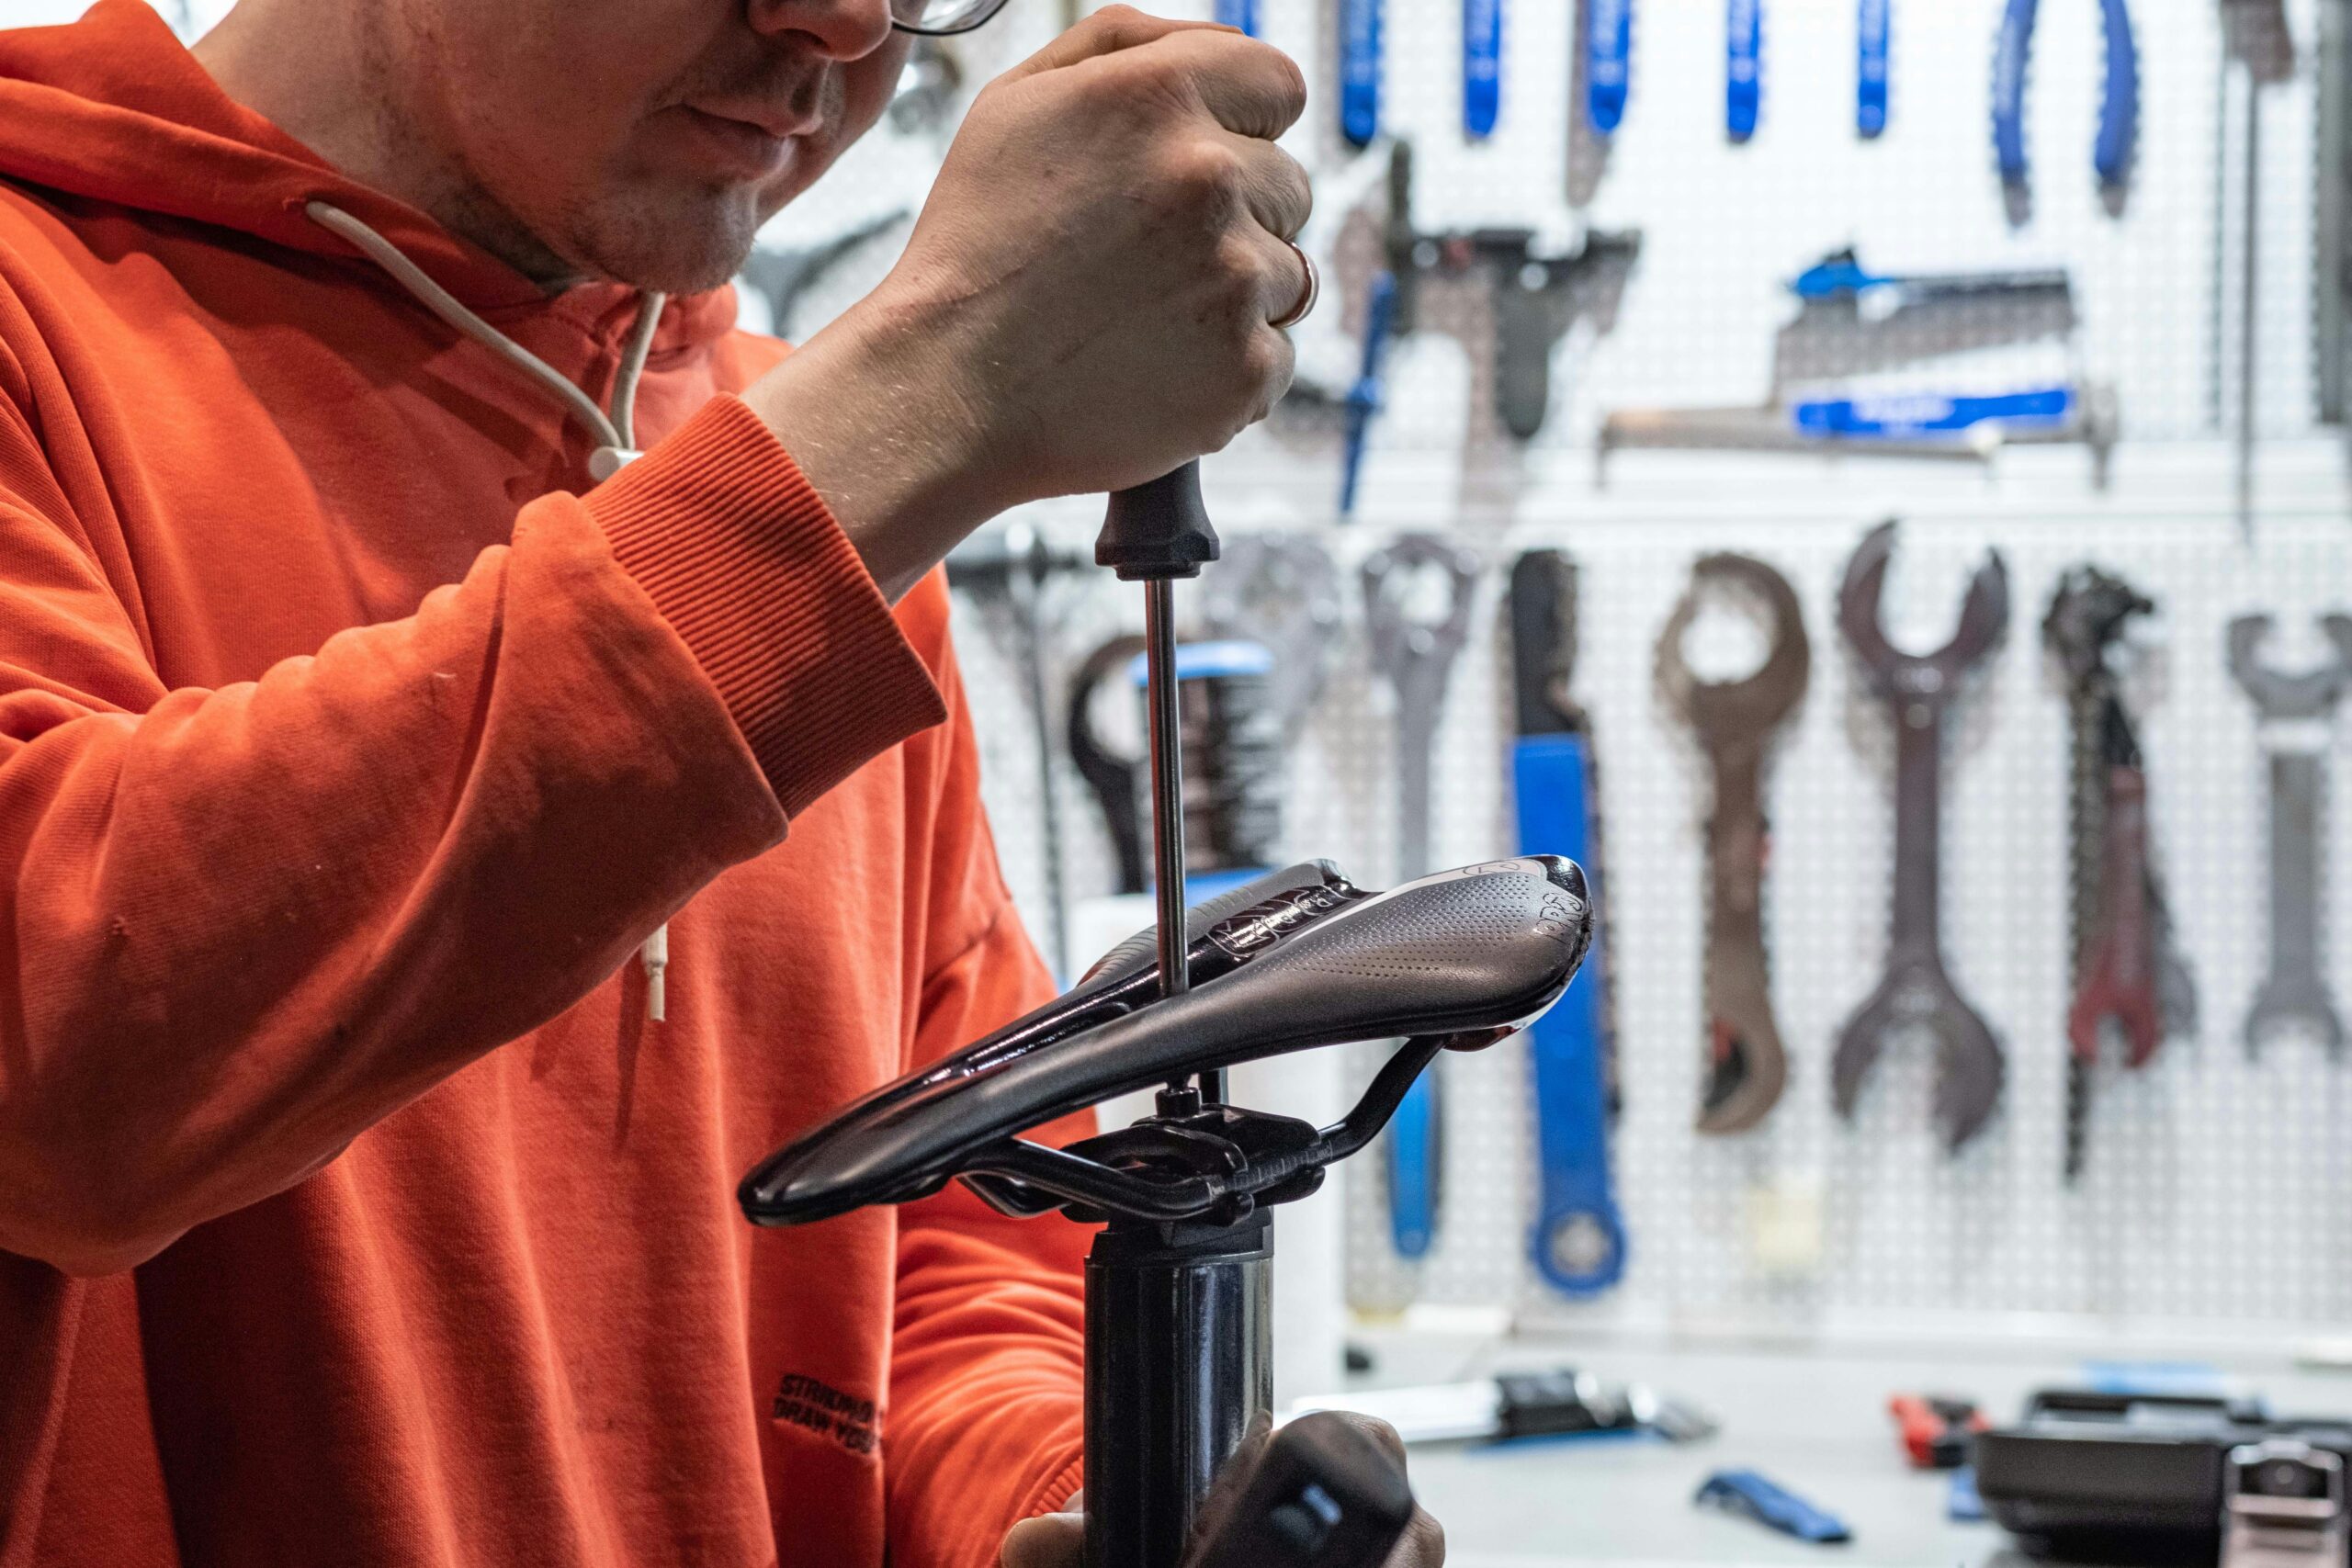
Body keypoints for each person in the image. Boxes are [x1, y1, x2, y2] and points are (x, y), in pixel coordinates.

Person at [0, 0, 1442, 1564]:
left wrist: (1063, 1502)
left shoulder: (827, 497)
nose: (839, 25)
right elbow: (60, 1066)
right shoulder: (38, 323)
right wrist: (925, 396)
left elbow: (946, 1256)